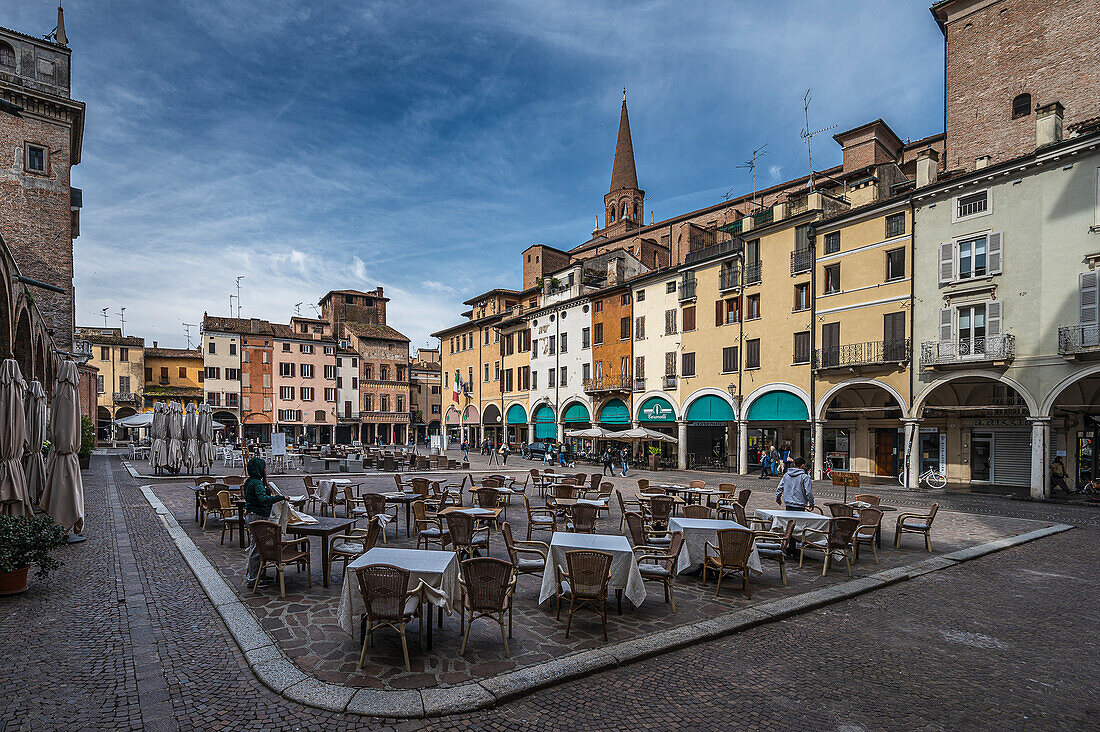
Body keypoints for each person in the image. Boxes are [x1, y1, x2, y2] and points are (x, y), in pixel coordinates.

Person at [243, 457, 287, 587]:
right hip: (258, 517)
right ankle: (253, 579)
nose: (265, 470)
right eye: (264, 467)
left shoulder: (249, 481)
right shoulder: (257, 483)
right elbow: (263, 499)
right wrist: (280, 497)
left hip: (252, 516)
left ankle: (260, 575)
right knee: (257, 549)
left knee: (258, 547)